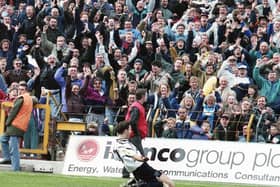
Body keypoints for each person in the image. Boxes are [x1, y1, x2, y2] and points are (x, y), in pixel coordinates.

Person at [113, 121, 175, 187]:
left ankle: (136, 183)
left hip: (142, 169)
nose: (131, 131)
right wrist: (142, 159)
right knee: (166, 184)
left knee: (169, 183)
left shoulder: (119, 142)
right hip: (142, 169)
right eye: (130, 129)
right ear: (126, 131)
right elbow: (134, 156)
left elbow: (117, 157)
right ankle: (135, 185)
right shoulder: (122, 145)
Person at [0, 82, 35, 171]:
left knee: (14, 147)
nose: (19, 91)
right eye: (19, 89)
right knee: (3, 139)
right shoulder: (30, 98)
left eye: (22, 89)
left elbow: (13, 112)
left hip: (15, 124)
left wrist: (7, 123)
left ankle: (16, 168)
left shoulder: (21, 98)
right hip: (21, 124)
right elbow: (36, 100)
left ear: (26, 90)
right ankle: (7, 158)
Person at [125, 88, 148, 156]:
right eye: (146, 95)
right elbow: (132, 122)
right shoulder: (136, 107)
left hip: (134, 135)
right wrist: (137, 133)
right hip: (134, 136)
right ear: (143, 96)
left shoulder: (137, 106)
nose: (147, 97)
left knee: (133, 156)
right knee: (141, 156)